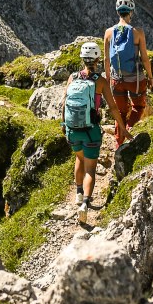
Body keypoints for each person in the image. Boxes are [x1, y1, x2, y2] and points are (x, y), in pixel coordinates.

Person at [64, 41, 112, 212]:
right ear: (98, 60)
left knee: (79, 158)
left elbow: (64, 103)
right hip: (91, 131)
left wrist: (64, 125)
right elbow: (113, 107)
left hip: (72, 130)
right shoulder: (101, 81)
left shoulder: (72, 78)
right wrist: (122, 128)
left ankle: (78, 193)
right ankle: (85, 203)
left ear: (82, 59)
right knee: (90, 169)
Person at [103, 0, 152, 152]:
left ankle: (119, 143)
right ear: (131, 12)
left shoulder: (108, 33)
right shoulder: (138, 32)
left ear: (118, 12)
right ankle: (130, 130)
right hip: (135, 80)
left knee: (121, 111)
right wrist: (150, 76)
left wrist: (109, 79)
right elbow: (144, 58)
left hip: (116, 80)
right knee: (138, 106)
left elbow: (106, 59)